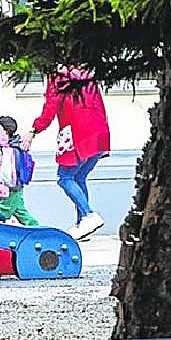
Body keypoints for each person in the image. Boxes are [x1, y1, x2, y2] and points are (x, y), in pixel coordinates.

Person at [23, 66, 110, 241]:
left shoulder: (59, 78)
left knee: (65, 178)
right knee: (79, 178)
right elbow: (100, 105)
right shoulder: (88, 76)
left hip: (77, 133)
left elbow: (50, 109)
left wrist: (34, 130)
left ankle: (88, 215)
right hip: (99, 132)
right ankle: (82, 225)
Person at [0, 115, 39, 226]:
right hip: (17, 186)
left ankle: (37, 230)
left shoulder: (11, 149)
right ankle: (37, 229)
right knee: (20, 211)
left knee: (2, 211)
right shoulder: (16, 146)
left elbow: (11, 171)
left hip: (12, 187)